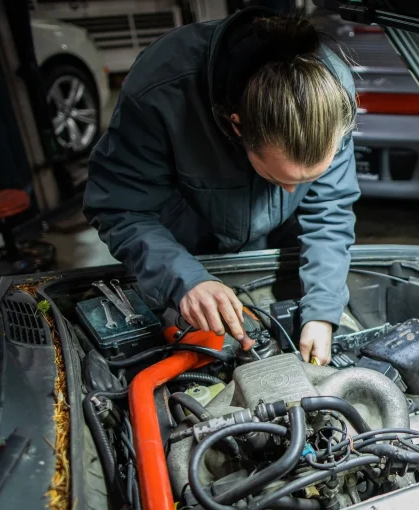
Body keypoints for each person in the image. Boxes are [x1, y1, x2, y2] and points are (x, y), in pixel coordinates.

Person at [84, 8, 359, 364]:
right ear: (237, 127)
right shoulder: (163, 90)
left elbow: (330, 210)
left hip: (273, 250)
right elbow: (120, 207)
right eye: (278, 179)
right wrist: (184, 279)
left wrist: (322, 309)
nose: (292, 193)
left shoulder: (332, 97)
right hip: (181, 249)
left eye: (308, 180)